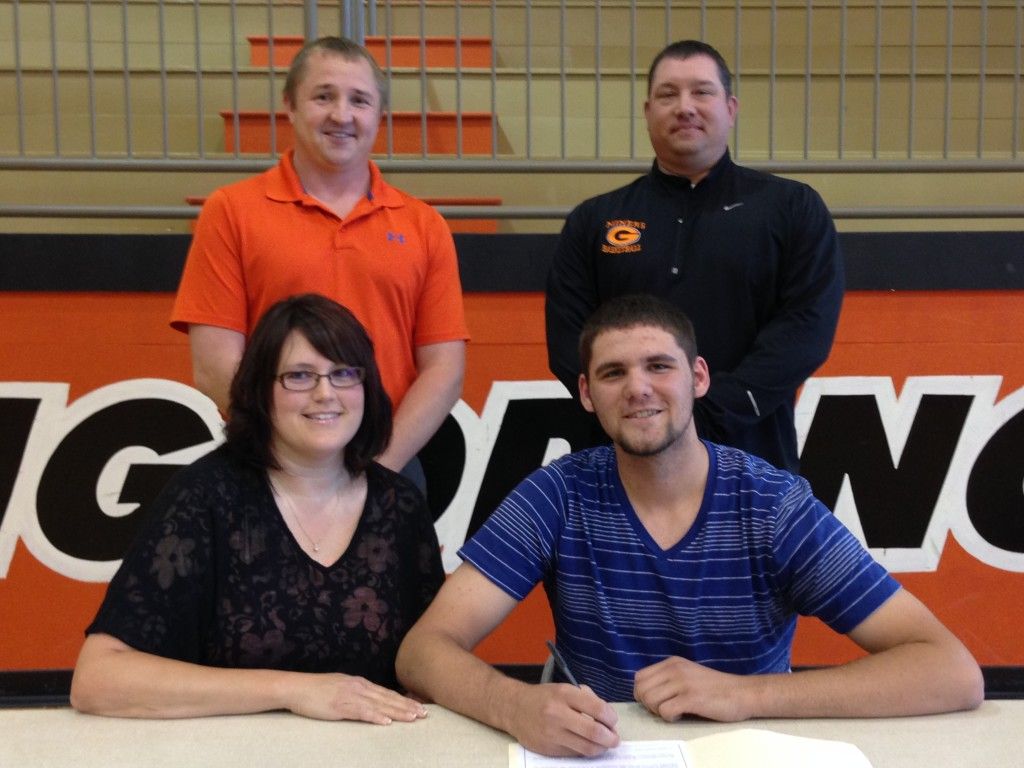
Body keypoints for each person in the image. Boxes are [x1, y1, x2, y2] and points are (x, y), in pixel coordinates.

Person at [396, 294, 983, 757]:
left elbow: (950, 671)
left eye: (659, 366)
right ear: (585, 394)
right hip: (600, 753)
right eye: (613, 373)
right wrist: (515, 706)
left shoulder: (774, 505)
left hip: (746, 750)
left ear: (698, 378)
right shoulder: (557, 494)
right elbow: (423, 650)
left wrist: (743, 694)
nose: (639, 388)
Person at [71, 294, 445, 722]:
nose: (326, 393)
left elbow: (429, 673)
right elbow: (97, 679)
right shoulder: (207, 497)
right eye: (300, 376)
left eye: (343, 373)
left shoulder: (399, 506)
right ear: (260, 390)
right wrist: (294, 690)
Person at [171, 36, 468, 476]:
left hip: (387, 465)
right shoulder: (231, 212)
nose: (341, 115)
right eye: (323, 96)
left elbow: (444, 369)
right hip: (267, 465)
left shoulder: (424, 225)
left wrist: (379, 466)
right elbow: (215, 365)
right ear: (290, 105)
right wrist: (294, 458)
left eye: (360, 100)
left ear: (379, 115)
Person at [545, 40, 843, 473]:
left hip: (754, 462)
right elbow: (569, 340)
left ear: (731, 107)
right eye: (668, 94)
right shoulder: (595, 220)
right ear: (648, 111)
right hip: (622, 468)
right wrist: (644, 410)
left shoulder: (793, 209)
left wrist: (704, 414)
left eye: (701, 92)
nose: (685, 107)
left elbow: (806, 329)